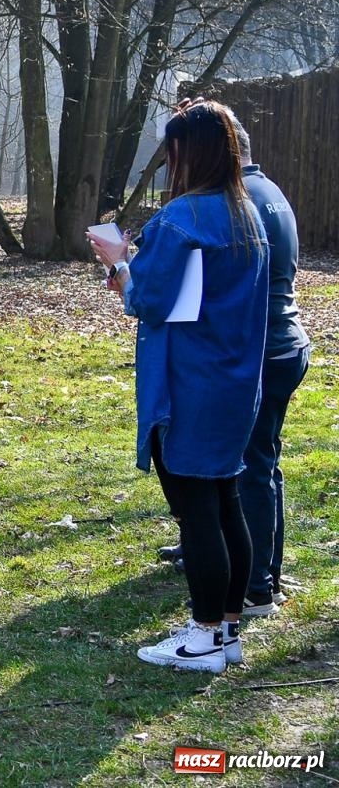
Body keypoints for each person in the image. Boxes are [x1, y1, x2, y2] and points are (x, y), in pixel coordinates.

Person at [88, 100, 269, 674]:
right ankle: (229, 630)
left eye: (172, 152)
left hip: (190, 384)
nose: (168, 163)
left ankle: (204, 636)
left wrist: (118, 263)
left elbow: (146, 300)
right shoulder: (249, 217)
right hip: (237, 381)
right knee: (225, 503)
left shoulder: (182, 219)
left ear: (190, 154)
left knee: (197, 513)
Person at [232, 115, 310, 616]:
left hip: (266, 348)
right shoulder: (270, 189)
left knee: (253, 465)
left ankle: (257, 583)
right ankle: (261, 565)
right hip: (286, 343)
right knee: (261, 460)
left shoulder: (244, 200)